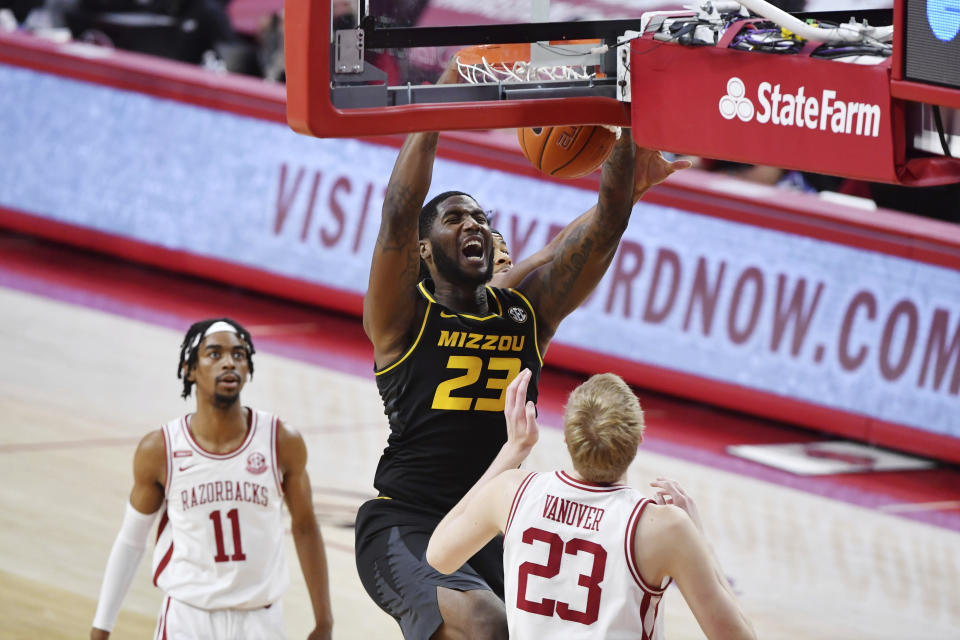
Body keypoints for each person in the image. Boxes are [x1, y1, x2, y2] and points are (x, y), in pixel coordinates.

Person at [354, 56, 691, 639]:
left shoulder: (525, 314)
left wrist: (626, 132)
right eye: (456, 218)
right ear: (425, 251)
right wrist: (439, 102)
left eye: (482, 218)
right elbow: (398, 213)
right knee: (487, 622)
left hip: (493, 521)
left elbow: (607, 224)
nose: (475, 225)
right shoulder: (404, 320)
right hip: (404, 524)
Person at [426, 370, 757, 640]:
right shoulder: (663, 527)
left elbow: (438, 556)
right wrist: (701, 540)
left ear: (568, 437)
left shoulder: (512, 492)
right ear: (639, 438)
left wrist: (512, 452)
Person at [90, 318, 333, 640]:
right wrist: (101, 628)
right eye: (214, 354)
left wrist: (324, 620)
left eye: (239, 354)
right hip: (187, 618)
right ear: (190, 369)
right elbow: (131, 541)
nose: (229, 362)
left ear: (248, 369)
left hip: (261, 620)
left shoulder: (280, 440)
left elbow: (305, 527)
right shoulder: (160, 449)